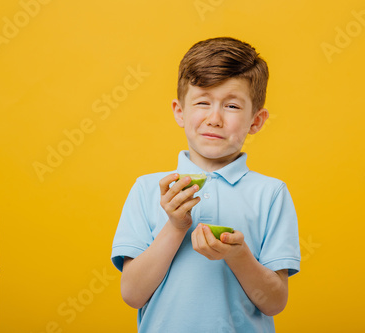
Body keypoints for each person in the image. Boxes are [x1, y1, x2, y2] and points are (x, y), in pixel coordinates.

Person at [111, 36, 301, 333]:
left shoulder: (271, 194)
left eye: (232, 106)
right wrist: (175, 226)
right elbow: (132, 295)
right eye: (202, 102)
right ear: (180, 112)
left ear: (256, 120)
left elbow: (274, 302)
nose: (214, 119)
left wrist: (239, 255)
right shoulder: (147, 189)